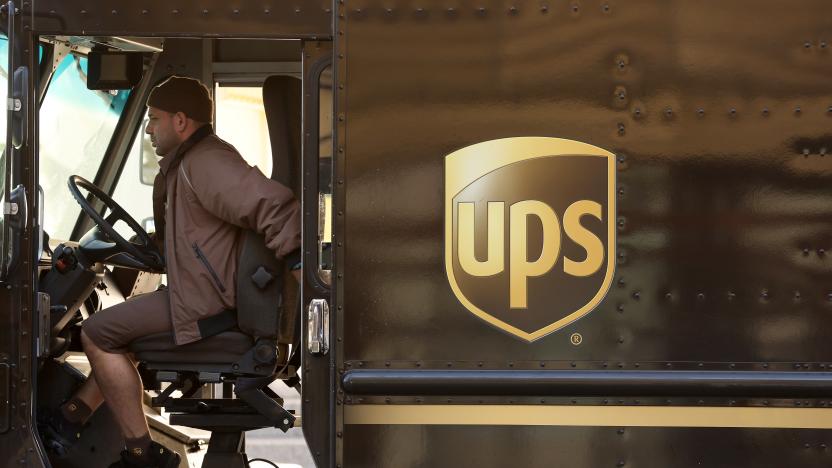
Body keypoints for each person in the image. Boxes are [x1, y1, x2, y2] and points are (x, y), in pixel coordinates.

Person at [40, 76, 302, 468]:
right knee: (120, 333)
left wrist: (303, 267)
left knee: (97, 334)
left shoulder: (205, 163)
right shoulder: (188, 165)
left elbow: (274, 207)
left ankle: (140, 455)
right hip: (206, 297)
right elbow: (194, 237)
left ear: (181, 121)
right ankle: (70, 417)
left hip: (206, 307)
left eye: (154, 119)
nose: (148, 129)